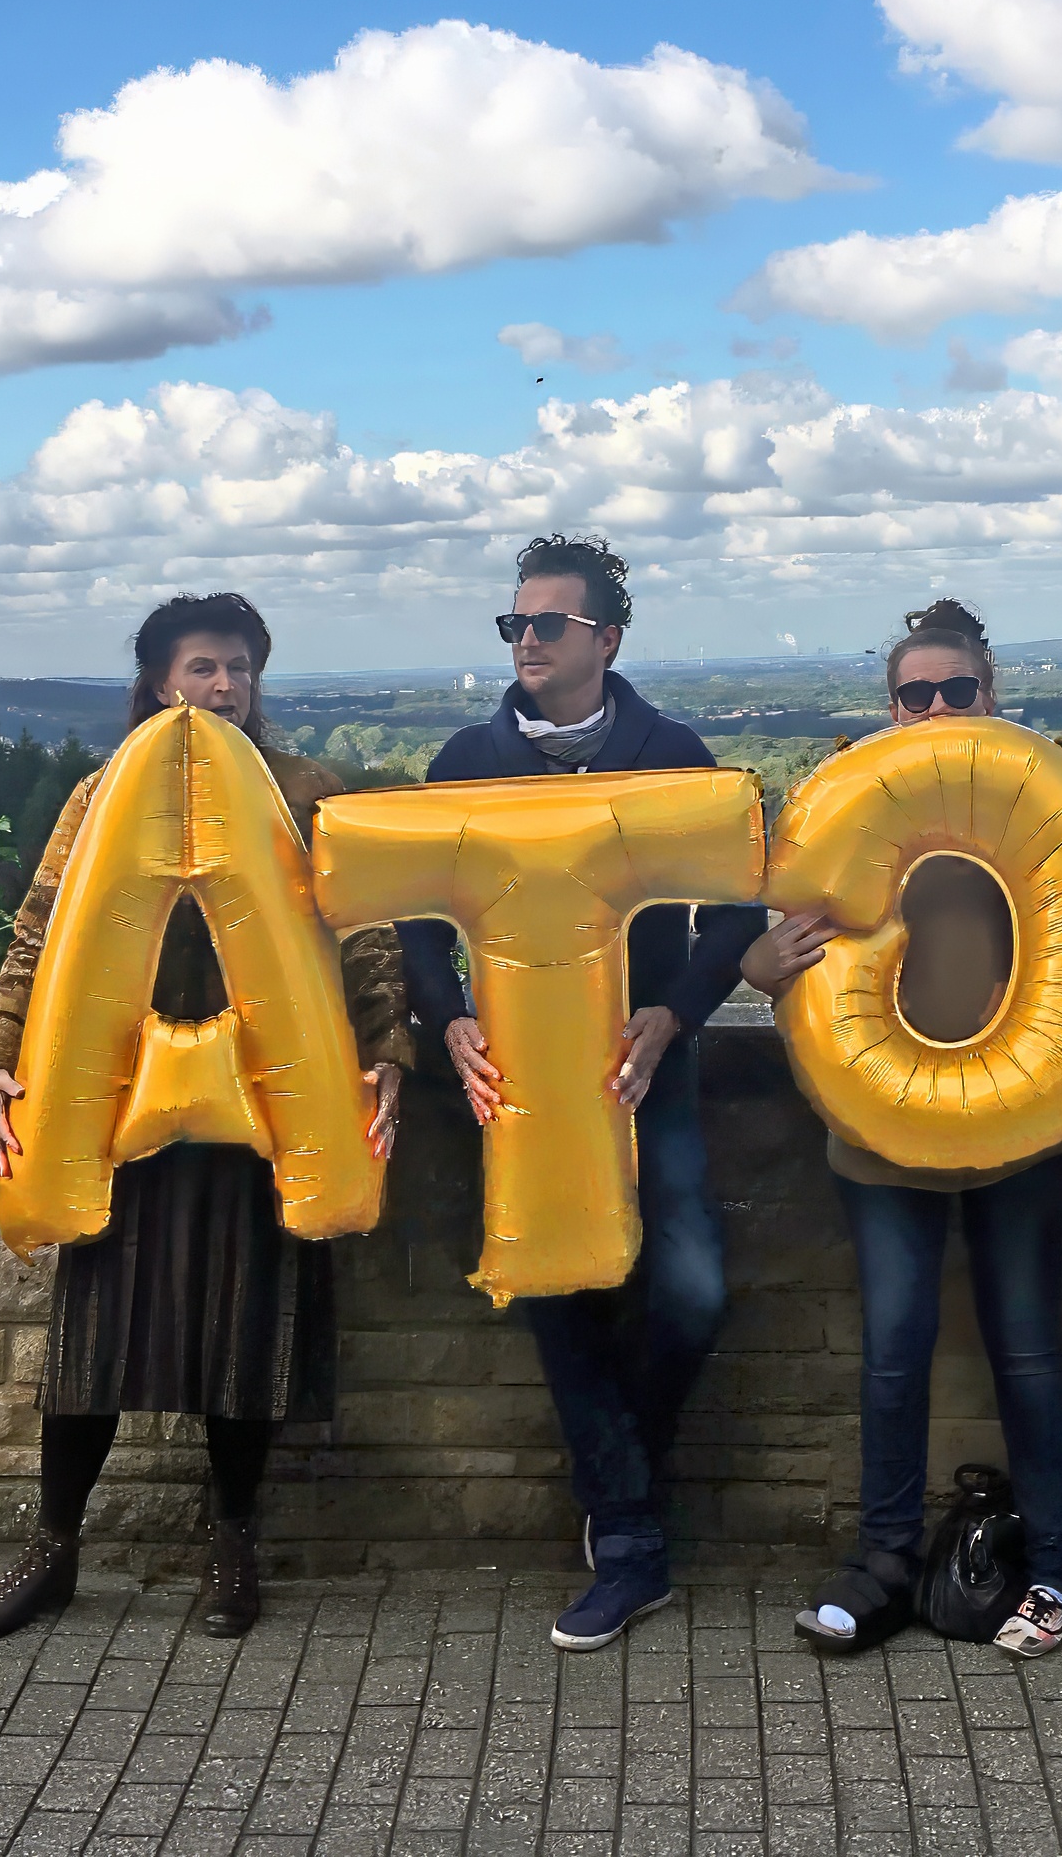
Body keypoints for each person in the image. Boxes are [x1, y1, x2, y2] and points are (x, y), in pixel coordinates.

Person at [0, 593, 409, 1648]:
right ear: (161, 682)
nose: (224, 687)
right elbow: (39, 932)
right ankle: (53, 1551)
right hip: (122, 1106)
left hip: (268, 1101)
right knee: (92, 1337)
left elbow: (365, 935)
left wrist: (388, 1052)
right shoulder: (101, 795)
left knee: (250, 1333)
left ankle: (234, 1544)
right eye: (202, 667)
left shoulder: (304, 794)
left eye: (240, 668)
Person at [742, 598, 1062, 1661]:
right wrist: (758, 970)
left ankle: (1055, 1573)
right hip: (880, 1140)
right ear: (887, 709)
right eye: (914, 694)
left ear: (993, 698)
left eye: (957, 691)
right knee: (892, 1356)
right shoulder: (843, 820)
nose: (936, 709)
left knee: (1027, 1357)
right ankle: (882, 1565)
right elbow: (771, 965)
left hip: (1025, 1140)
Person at [396, 533, 769, 1651]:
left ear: (606, 638)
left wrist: (675, 1015)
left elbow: (740, 910)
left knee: (692, 1291)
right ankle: (631, 1539)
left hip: (644, 1073)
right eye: (512, 623)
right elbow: (415, 918)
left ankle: (616, 1493)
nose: (524, 641)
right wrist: (444, 1017)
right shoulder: (464, 767)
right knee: (558, 1298)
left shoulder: (673, 755)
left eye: (546, 624)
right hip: (515, 1087)